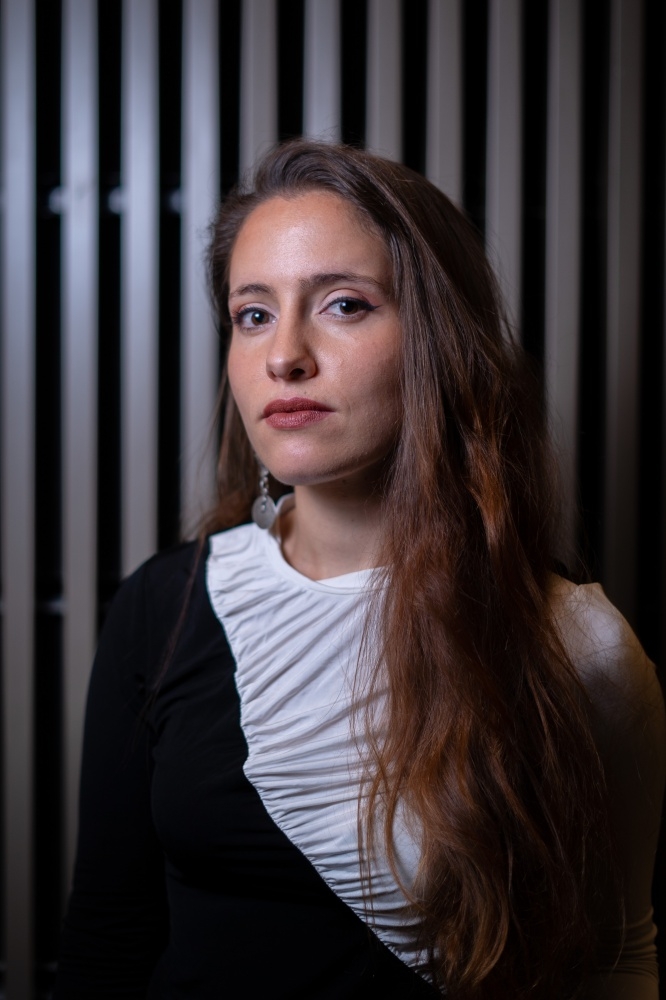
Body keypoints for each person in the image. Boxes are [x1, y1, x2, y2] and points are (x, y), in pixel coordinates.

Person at [55, 140, 665, 999]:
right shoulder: (165, 606)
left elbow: (615, 959)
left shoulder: (577, 644)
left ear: (438, 340)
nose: (284, 355)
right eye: (253, 314)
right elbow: (107, 944)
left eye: (344, 304)